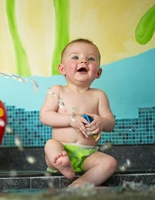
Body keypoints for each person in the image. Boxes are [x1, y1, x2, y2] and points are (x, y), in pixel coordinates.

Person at [40, 38, 117, 187]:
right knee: (50, 144)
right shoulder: (57, 91)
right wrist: (70, 120)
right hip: (61, 149)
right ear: (62, 69)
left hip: (89, 153)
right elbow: (45, 115)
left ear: (98, 72)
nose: (83, 62)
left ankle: (79, 185)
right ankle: (63, 165)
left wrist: (102, 122)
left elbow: (110, 123)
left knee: (110, 163)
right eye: (75, 57)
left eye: (90, 59)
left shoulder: (98, 95)